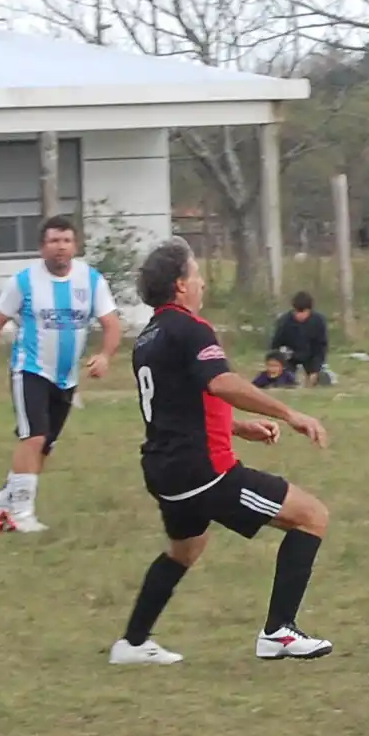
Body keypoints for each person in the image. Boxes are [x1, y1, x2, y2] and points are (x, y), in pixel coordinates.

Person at [109, 238, 334, 666]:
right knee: (311, 517)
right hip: (203, 472)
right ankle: (279, 632)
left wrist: (237, 427)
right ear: (179, 285)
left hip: (164, 470)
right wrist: (290, 412)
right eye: (195, 274)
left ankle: (132, 644)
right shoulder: (191, 328)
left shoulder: (149, 337)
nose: (202, 282)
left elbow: (176, 407)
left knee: (185, 550)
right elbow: (222, 383)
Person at [0, 216, 122, 533]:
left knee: (45, 446)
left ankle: (5, 500)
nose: (60, 247)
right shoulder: (24, 282)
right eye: (54, 241)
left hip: (66, 378)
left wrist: (105, 356)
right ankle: (20, 515)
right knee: (34, 436)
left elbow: (111, 323)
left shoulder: (91, 281)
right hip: (30, 370)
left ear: (75, 246)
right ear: (42, 247)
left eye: (66, 240)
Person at [269, 291, 329, 387]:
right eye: (297, 312)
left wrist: (315, 370)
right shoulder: (284, 322)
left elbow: (321, 347)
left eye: (303, 312)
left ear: (309, 310)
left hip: (311, 356)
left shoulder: (318, 321)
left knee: (322, 380)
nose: (299, 315)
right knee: (283, 381)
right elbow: (275, 345)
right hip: (289, 357)